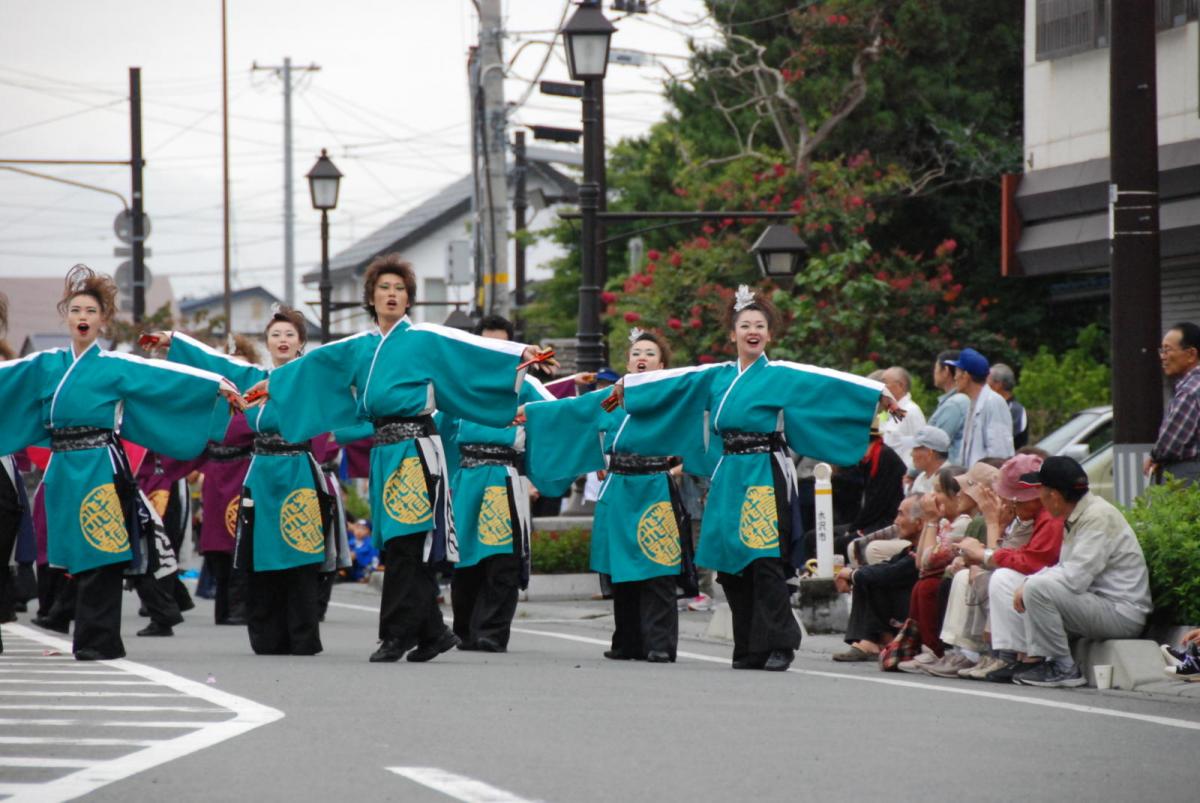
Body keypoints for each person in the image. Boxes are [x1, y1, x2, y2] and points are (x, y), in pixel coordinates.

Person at [253, 254, 548, 663]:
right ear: (371, 299)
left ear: (409, 300)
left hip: (415, 448)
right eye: (383, 289)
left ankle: (395, 635)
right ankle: (432, 632)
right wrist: (277, 384)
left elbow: (472, 350)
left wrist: (519, 354)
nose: (391, 295)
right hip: (385, 451)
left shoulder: (424, 338)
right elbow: (318, 366)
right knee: (396, 544)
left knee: (408, 542)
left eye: (399, 290)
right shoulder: (359, 346)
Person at [607, 285, 894, 671]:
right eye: (745, 325)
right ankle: (749, 647)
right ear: (733, 334)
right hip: (729, 472)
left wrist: (878, 393)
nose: (752, 331)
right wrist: (634, 384)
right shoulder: (716, 376)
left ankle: (780, 642)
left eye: (759, 325)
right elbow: (678, 381)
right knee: (731, 564)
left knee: (763, 559)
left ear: (769, 335)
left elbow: (825, 381)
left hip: (763, 469)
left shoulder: (780, 374)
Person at [0, 266, 239, 660]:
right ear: (66, 316)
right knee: (71, 556)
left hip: (99, 466)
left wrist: (215, 386)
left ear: (102, 321)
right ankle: (84, 633)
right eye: (76, 309)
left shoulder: (114, 365)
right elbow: (7, 379)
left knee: (103, 551)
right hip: (62, 468)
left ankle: (100, 641)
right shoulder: (45, 364)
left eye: (91, 311)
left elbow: (164, 376)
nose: (83, 317)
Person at [152, 306, 333, 655]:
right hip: (263, 472)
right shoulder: (253, 377)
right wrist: (174, 341)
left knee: (299, 552)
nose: (282, 340)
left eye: (289, 335)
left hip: (298, 472)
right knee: (262, 555)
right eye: (276, 334)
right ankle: (268, 635)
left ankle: (302, 635)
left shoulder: (310, 378)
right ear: (267, 342)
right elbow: (214, 363)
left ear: (300, 344)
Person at [524, 329, 694, 663]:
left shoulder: (670, 398)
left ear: (662, 363)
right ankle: (627, 641)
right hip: (619, 487)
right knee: (622, 567)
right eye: (636, 353)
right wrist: (529, 413)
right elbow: (579, 412)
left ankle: (660, 643)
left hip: (654, 487)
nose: (641, 358)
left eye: (649, 353)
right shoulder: (614, 398)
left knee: (657, 565)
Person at [440, 314, 557, 653]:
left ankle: (492, 631)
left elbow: (557, 421)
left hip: (505, 477)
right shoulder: (459, 385)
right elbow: (441, 432)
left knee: (502, 558)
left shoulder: (529, 387)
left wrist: (537, 477)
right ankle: (464, 629)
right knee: (465, 557)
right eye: (489, 345)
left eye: (504, 345)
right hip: (466, 479)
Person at [999, 456, 1152, 687]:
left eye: (1041, 490)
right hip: (1101, 605)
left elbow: (1075, 578)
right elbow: (1068, 571)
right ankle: (1031, 659)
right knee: (1032, 585)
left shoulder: (1097, 516)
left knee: (1037, 588)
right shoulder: (1078, 514)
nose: (1039, 497)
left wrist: (1030, 582)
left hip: (1121, 614)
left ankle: (1063, 668)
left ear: (1056, 497)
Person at [831, 495, 924, 662]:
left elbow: (894, 572)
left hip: (920, 614)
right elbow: (888, 566)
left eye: (901, 514)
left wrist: (852, 574)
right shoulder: (911, 548)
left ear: (919, 523)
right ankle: (873, 639)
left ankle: (878, 639)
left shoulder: (928, 548)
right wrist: (853, 574)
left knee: (871, 577)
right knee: (868, 575)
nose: (896, 521)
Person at [1146, 322, 1200, 486]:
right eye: (1161, 350)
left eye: (1168, 350)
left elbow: (1171, 441)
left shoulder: (1190, 390)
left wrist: (1154, 456)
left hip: (1188, 474)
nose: (1163, 356)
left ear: (1191, 354)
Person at [947, 348, 1014, 467]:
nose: (955, 377)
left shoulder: (993, 402)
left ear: (966, 375)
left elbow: (999, 454)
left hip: (986, 482)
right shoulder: (973, 402)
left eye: (957, 372)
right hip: (973, 481)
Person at [880, 366, 926, 470]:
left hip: (903, 475)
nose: (881, 387)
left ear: (900, 386)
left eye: (884, 382)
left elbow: (920, 445)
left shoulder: (911, 411)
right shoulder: (891, 412)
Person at [928, 350, 969, 463]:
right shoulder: (956, 401)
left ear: (945, 371)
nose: (934, 373)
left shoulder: (954, 404)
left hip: (949, 472)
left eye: (936, 368)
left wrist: (912, 472)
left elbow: (935, 443)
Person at [988, 363, 1028, 450]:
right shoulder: (990, 406)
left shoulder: (1015, 410)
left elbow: (1003, 440)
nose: (985, 385)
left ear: (998, 385)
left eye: (987, 380)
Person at [908, 425, 950, 496]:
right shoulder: (922, 477)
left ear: (929, 453)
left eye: (915, 449)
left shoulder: (948, 480)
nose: (911, 454)